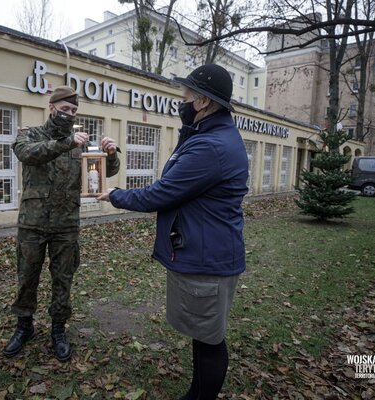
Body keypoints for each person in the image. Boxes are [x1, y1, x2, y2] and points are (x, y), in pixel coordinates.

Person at [98, 65, 248, 399]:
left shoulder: (210, 147)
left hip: (207, 258)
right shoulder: (209, 136)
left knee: (209, 338)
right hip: (206, 251)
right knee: (203, 332)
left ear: (204, 102)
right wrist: (188, 128)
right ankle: (196, 393)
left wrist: (116, 195)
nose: (182, 99)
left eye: (187, 95)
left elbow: (162, 192)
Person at [4, 86, 120, 361]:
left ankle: (58, 329)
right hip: (32, 223)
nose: (69, 115)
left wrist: (111, 153)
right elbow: (29, 154)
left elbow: (103, 170)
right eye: (65, 109)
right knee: (27, 278)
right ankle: (24, 327)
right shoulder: (29, 135)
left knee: (63, 280)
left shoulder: (78, 142)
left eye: (74, 111)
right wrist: (66, 143)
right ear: (52, 107)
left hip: (66, 224)